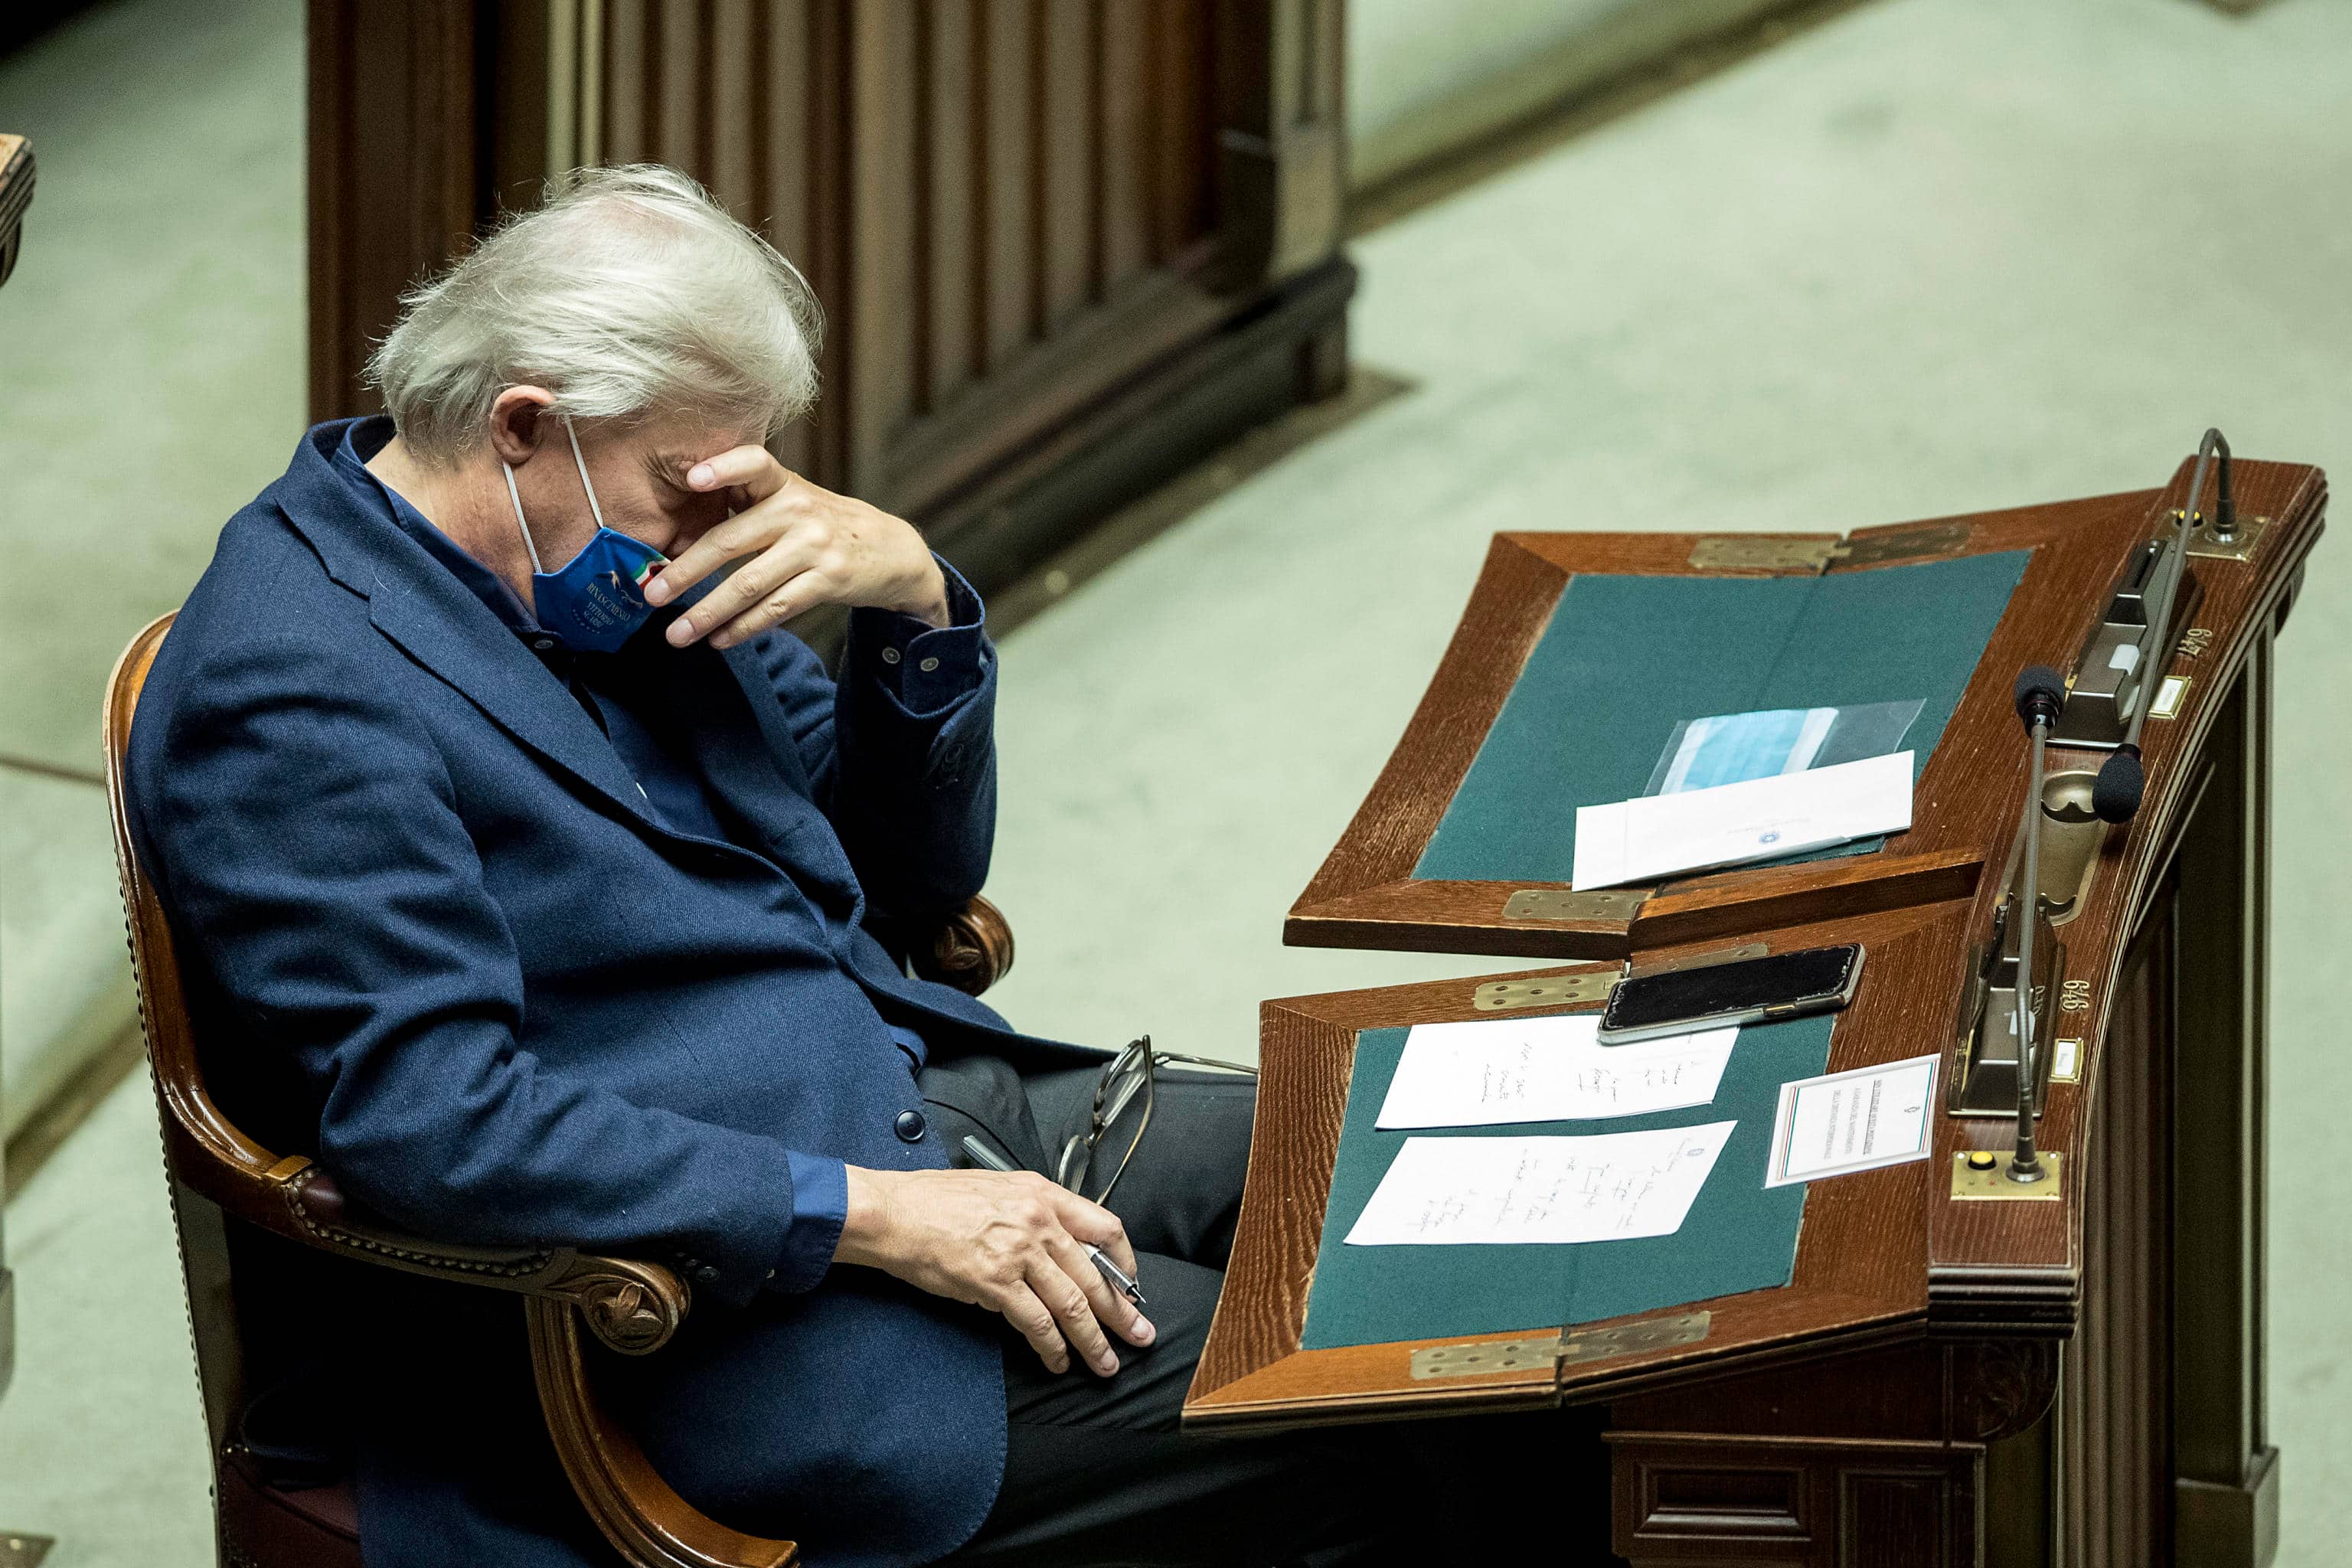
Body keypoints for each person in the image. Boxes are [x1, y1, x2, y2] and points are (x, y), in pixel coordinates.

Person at [128, 165, 1597, 1567]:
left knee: (1465, 1197)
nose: (723, 525)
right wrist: (874, 1214)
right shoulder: (293, 688)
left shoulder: (614, 556)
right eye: (685, 486)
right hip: (707, 1305)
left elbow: (907, 881)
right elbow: (438, 1123)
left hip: (928, 1095)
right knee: (1411, 1370)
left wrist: (913, 607)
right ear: (523, 425)